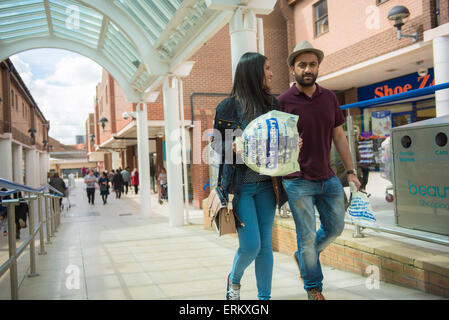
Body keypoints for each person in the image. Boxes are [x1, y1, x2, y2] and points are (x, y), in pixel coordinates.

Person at [212, 52, 302, 301]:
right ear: (253, 73)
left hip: (267, 186)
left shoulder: (271, 104)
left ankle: (265, 299)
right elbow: (215, 146)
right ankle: (234, 279)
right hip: (240, 188)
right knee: (251, 246)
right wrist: (230, 146)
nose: (272, 73)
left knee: (265, 248)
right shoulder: (227, 107)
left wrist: (293, 143)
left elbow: (279, 140)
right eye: (268, 68)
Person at [278, 41, 361, 300]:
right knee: (306, 236)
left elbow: (339, 136)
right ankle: (313, 287)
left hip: (327, 177)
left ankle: (304, 257)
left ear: (318, 67)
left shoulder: (329, 98)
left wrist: (350, 171)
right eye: (302, 64)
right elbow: (276, 143)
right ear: (293, 68)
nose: (308, 69)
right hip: (297, 180)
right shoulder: (282, 101)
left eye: (312, 64)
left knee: (335, 227)